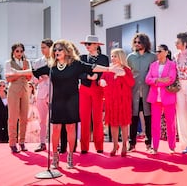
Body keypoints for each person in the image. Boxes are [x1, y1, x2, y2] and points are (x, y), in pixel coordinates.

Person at [11, 39, 123, 169]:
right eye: (56, 50)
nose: (57, 51)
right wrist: (18, 72)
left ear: (66, 51)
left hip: (72, 101)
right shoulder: (52, 66)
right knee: (56, 130)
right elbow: (35, 71)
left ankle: (70, 155)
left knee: (70, 128)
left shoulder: (75, 64)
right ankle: (55, 157)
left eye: (60, 49)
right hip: (58, 101)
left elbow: (92, 67)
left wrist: (110, 69)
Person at [100, 48, 134, 157]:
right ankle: (115, 145)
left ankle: (124, 144)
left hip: (123, 101)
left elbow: (131, 83)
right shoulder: (108, 69)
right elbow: (101, 79)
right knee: (113, 124)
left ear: (121, 57)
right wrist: (102, 81)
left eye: (115, 56)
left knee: (124, 124)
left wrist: (122, 74)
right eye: (112, 56)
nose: (113, 58)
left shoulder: (126, 69)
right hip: (111, 101)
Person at [79, 35, 109, 154]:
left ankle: (99, 146)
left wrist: (99, 77)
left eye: (89, 44)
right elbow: (77, 73)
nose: (87, 46)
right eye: (86, 44)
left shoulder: (104, 58)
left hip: (98, 89)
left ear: (96, 45)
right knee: (84, 118)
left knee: (97, 118)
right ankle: (84, 147)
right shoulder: (81, 57)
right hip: (84, 89)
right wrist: (87, 76)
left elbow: (107, 72)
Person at [127, 33, 157, 152]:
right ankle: (132, 143)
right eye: (135, 42)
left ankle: (149, 143)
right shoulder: (130, 57)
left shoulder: (152, 57)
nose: (137, 44)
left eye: (139, 42)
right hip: (133, 92)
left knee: (148, 118)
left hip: (148, 91)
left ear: (145, 43)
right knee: (133, 119)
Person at [146, 44, 177, 154]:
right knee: (155, 124)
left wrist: (156, 80)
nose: (157, 53)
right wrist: (160, 80)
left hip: (168, 97)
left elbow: (171, 79)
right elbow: (147, 79)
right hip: (155, 98)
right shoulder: (153, 65)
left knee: (171, 123)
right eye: (156, 51)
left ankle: (172, 146)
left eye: (159, 51)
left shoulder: (172, 65)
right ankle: (155, 147)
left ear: (166, 52)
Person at [4, 43, 32, 153]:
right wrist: (22, 73)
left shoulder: (27, 62)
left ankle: (22, 142)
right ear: (13, 52)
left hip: (25, 90)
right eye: (17, 51)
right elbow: (8, 78)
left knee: (24, 118)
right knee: (13, 117)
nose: (19, 53)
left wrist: (17, 73)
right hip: (13, 91)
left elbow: (29, 76)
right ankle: (12, 143)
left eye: (21, 51)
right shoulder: (8, 63)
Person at [32, 38, 53, 152]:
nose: (42, 50)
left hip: (54, 92)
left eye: (44, 47)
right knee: (42, 120)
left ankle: (56, 143)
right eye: (41, 47)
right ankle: (42, 142)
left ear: (51, 48)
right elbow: (33, 79)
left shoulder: (57, 60)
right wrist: (42, 77)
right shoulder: (37, 62)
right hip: (41, 93)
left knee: (54, 119)